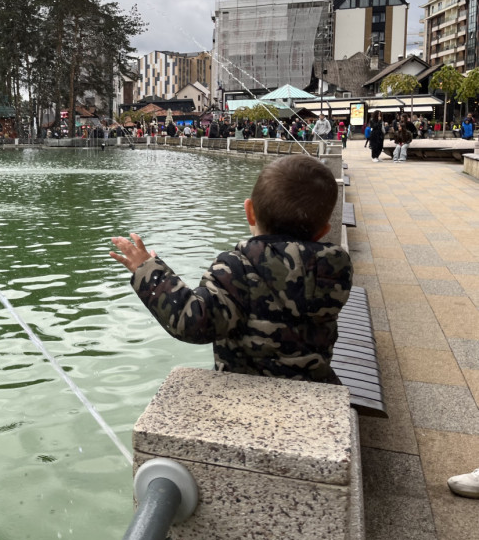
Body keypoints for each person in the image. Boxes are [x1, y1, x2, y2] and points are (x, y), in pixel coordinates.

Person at [110, 154, 353, 383]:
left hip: (248, 393)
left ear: (249, 212)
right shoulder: (336, 267)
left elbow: (192, 322)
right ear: (324, 231)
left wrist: (148, 270)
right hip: (315, 389)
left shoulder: (237, 267)